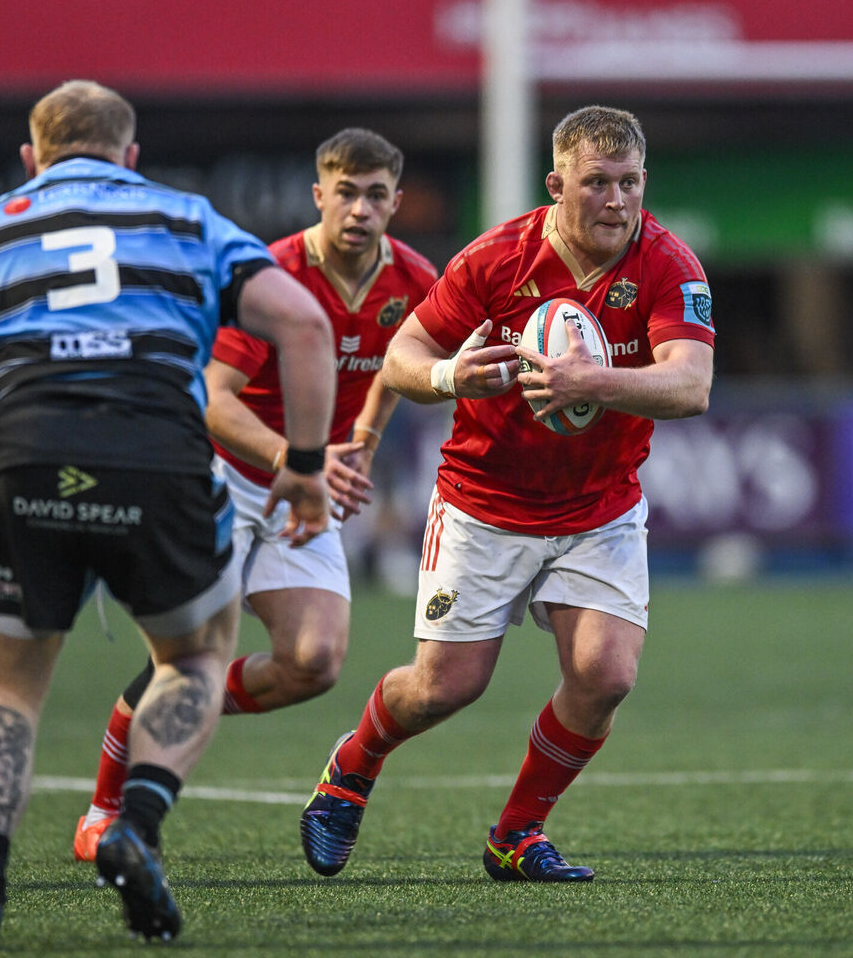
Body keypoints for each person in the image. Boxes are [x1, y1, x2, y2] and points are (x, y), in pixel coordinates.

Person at [0, 80, 334, 948]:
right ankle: (136, 826)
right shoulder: (187, 221)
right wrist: (304, 469)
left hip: (26, 459)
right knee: (193, 657)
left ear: (31, 159)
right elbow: (304, 325)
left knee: (3, 692)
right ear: (131, 156)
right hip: (158, 459)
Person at [299, 105, 715, 882]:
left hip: (598, 507)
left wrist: (590, 381)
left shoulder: (669, 263)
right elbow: (402, 356)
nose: (617, 201)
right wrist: (451, 375)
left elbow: (691, 386)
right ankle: (352, 768)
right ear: (557, 185)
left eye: (630, 183)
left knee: (606, 675)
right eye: (597, 183)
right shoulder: (496, 257)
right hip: (484, 503)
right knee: (443, 689)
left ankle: (517, 834)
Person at [70, 128, 439, 863]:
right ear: (318, 195)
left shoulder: (414, 279)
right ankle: (103, 809)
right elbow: (212, 397)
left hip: (304, 485)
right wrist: (294, 459)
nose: (359, 210)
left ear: (396, 202)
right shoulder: (273, 275)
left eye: (375, 196)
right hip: (215, 477)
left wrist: (362, 441)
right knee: (188, 658)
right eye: (345, 193)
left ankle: (184, 701)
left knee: (313, 662)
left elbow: (401, 365)